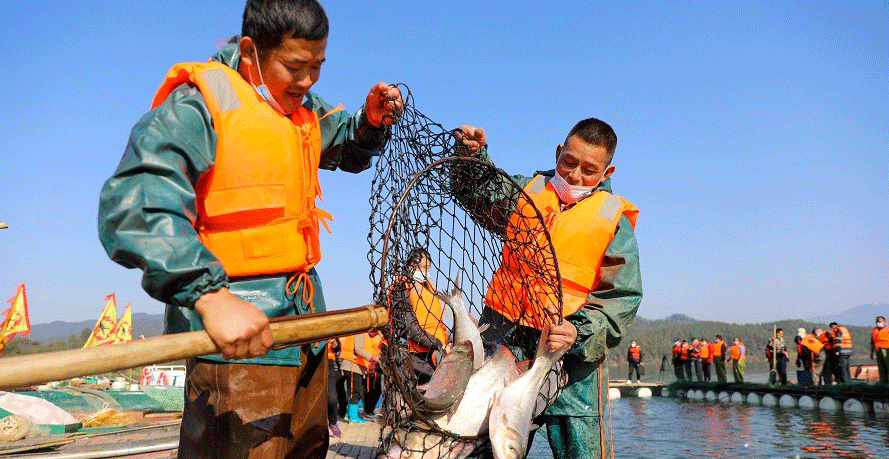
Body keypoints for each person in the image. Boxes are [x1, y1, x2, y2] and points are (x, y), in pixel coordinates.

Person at [97, 1, 404, 457]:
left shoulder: (303, 108)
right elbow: (133, 206)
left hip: (305, 332)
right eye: (295, 67)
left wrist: (368, 124)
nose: (307, 81)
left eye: (317, 67)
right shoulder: (201, 103)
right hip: (235, 344)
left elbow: (344, 143)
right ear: (250, 50)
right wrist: (211, 297)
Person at [452, 118, 642, 459]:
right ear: (558, 153)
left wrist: (578, 331)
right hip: (503, 334)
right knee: (480, 442)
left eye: (588, 169)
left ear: (606, 172)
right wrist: (474, 157)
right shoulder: (526, 191)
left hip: (569, 351)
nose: (574, 175)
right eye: (568, 162)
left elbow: (621, 299)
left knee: (580, 450)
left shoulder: (615, 220)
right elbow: (479, 195)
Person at [386, 248, 449, 385]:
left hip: (429, 354)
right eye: (424, 267)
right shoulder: (402, 287)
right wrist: (437, 343)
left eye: (428, 268)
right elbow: (408, 327)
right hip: (411, 356)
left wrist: (446, 340)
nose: (427, 271)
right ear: (410, 266)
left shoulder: (428, 287)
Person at [339, 333, 377, 423]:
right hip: (352, 366)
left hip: (355, 366)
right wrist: (372, 358)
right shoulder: (360, 333)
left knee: (354, 391)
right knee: (355, 392)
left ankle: (349, 415)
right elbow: (358, 349)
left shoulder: (362, 334)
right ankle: (353, 417)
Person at [326, 337, 343, 437]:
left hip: (329, 364)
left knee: (332, 399)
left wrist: (334, 343)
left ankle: (333, 423)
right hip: (312, 361)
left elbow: (338, 348)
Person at [872, 316, 889, 384]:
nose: (878, 323)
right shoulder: (874, 330)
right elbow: (872, 341)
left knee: (888, 366)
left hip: (886, 350)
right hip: (878, 350)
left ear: (884, 322)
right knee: (881, 368)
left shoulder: (887, 329)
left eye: (880, 321)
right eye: (877, 322)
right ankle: (883, 383)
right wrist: (871, 352)